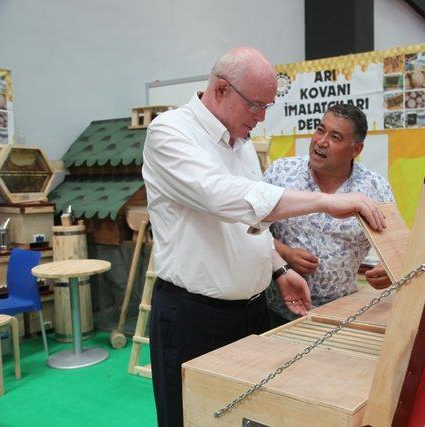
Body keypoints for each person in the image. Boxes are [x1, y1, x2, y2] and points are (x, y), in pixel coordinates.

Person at [141, 46, 386, 427]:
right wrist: (323, 201)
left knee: (246, 417)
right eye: (256, 106)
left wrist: (279, 269)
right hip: (195, 316)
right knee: (189, 417)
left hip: (252, 313)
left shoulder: (241, 145)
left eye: (267, 107)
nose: (261, 118)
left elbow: (251, 227)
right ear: (221, 89)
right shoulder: (171, 133)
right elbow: (225, 198)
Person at [263, 104, 394, 325]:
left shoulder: (375, 188)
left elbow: (395, 245)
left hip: (342, 314)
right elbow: (249, 229)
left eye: (335, 137)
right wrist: (284, 253)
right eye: (320, 130)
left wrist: (390, 269)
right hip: (276, 311)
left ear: (356, 150)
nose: (321, 141)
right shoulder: (281, 173)